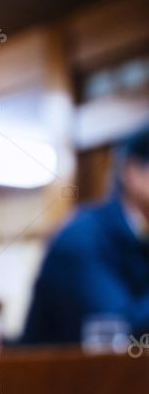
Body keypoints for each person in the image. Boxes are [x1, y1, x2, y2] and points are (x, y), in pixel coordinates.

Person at [22, 125, 149, 345]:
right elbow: (122, 332)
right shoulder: (81, 238)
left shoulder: (138, 234)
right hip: (53, 377)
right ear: (132, 172)